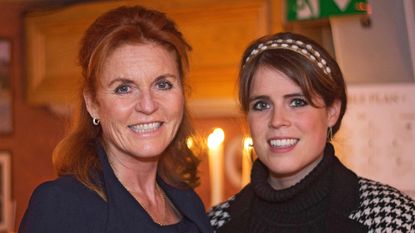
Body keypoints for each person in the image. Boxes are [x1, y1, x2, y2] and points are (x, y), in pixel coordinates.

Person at [19, 5, 213, 233]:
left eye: (163, 84)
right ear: (92, 104)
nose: (148, 105)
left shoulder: (189, 204)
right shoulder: (62, 206)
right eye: (124, 88)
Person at [208, 32, 415, 232]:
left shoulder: (392, 218)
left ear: (332, 111)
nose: (277, 121)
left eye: (297, 102)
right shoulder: (213, 225)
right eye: (262, 105)